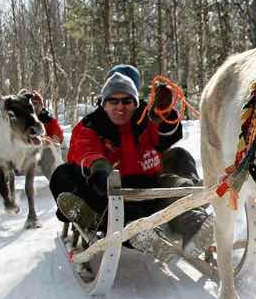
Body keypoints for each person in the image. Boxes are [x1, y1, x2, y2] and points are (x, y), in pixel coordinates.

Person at [49, 64, 213, 260]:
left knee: (173, 187)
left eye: (127, 101)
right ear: (104, 103)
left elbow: (166, 135)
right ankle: (138, 233)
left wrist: (165, 113)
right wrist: (100, 167)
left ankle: (196, 226)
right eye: (113, 101)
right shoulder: (92, 124)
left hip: (150, 187)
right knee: (68, 177)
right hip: (113, 190)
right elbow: (85, 147)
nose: (120, 106)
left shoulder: (144, 118)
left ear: (135, 103)